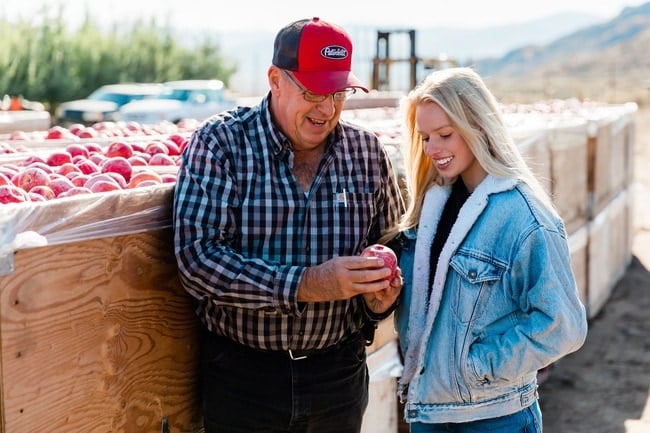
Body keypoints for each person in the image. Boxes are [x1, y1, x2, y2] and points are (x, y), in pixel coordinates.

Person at [173, 17, 405, 433]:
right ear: (275, 79)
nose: (327, 108)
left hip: (338, 374)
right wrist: (307, 283)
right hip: (245, 378)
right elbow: (198, 260)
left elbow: (391, 245)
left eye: (338, 93)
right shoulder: (221, 145)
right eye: (313, 92)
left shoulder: (367, 153)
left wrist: (381, 295)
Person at [388, 67, 588, 433]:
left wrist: (479, 367)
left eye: (445, 135)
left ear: (477, 126)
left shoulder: (525, 217)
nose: (432, 149)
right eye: (426, 137)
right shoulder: (428, 210)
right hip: (428, 414)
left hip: (496, 418)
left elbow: (563, 325)